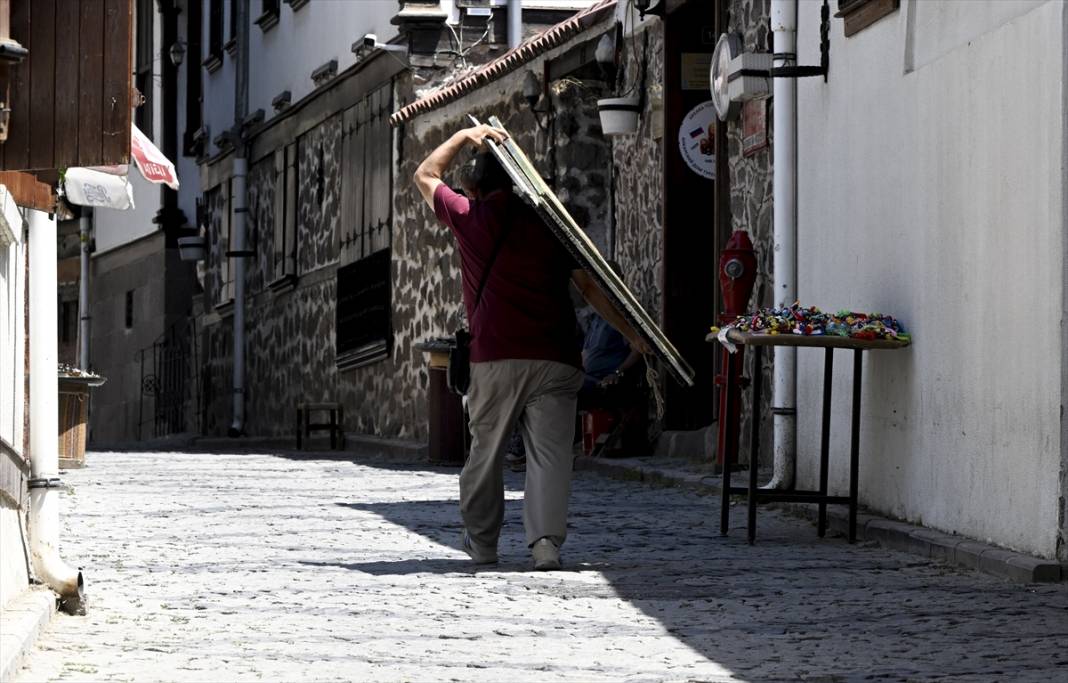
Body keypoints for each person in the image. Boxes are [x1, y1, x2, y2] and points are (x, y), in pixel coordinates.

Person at [414, 123, 649, 570]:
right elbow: (591, 288)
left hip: (495, 357)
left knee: (486, 451)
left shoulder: (470, 218)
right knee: (551, 455)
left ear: (475, 185)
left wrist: (465, 136)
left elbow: (425, 174)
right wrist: (632, 333)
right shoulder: (552, 227)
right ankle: (545, 545)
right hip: (555, 357)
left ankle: (482, 544)